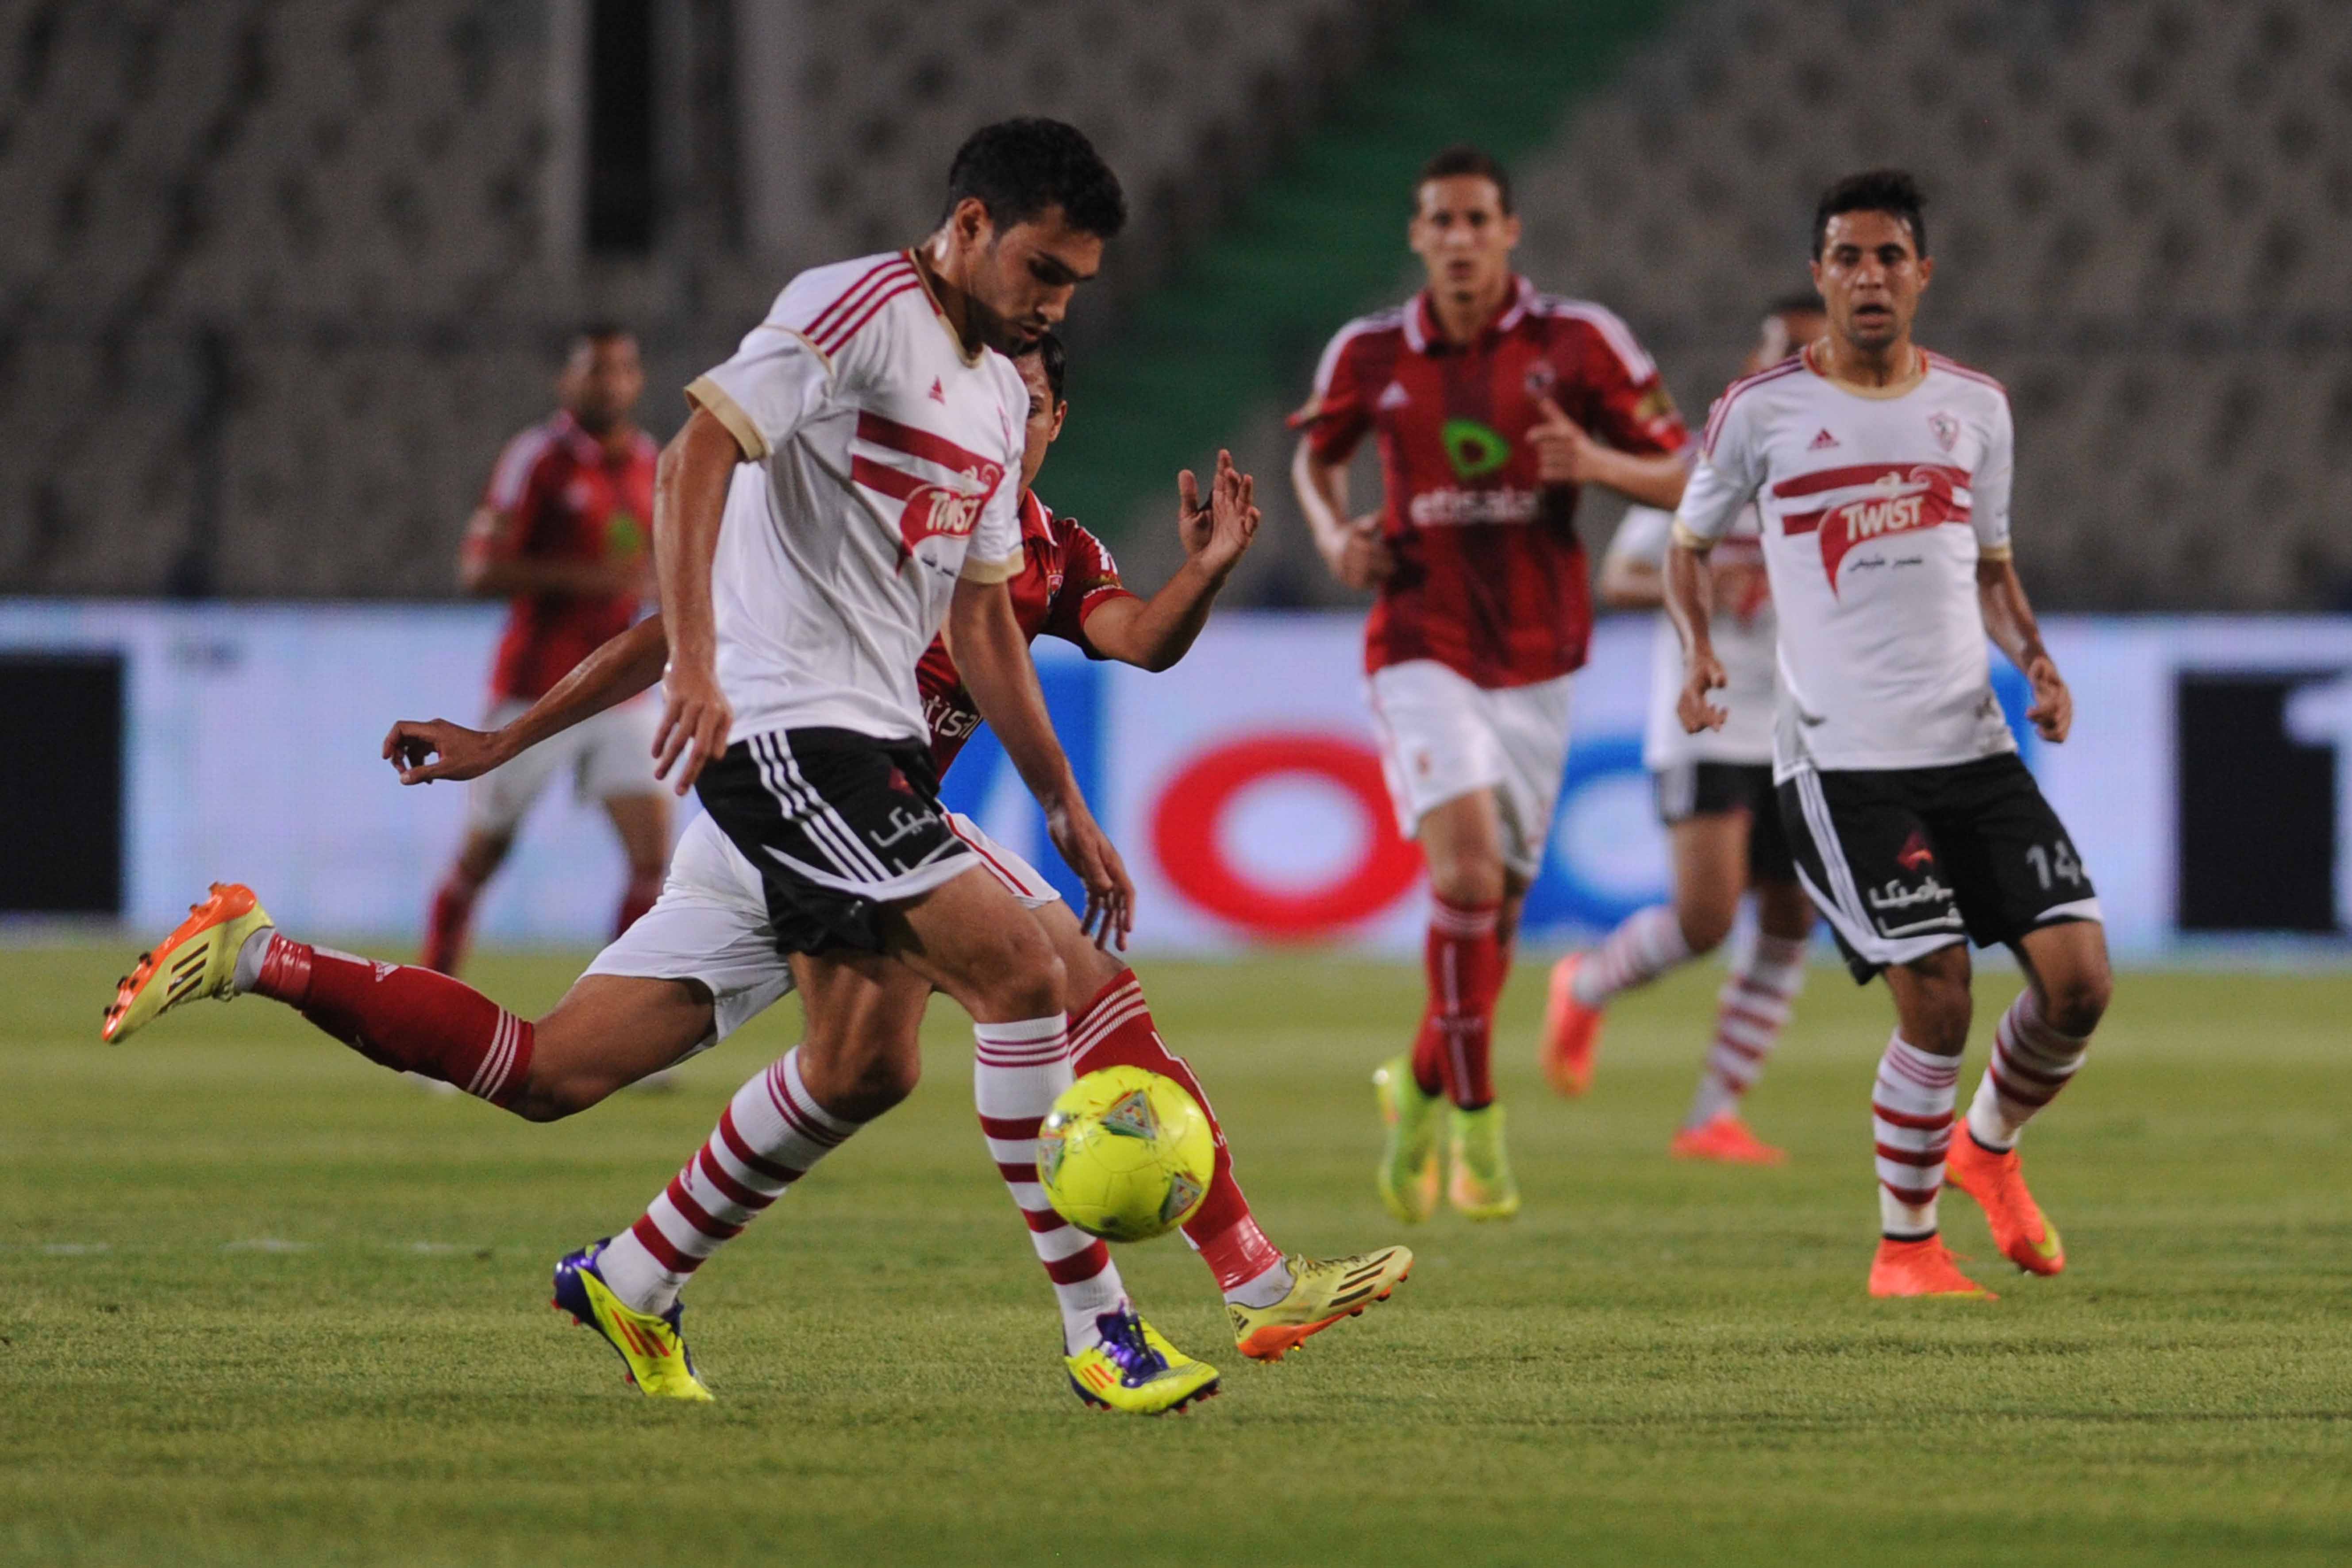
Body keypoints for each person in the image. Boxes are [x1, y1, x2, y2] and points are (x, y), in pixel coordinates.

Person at [104, 119, 1226, 1414]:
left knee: (635, 1071)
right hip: (786, 740)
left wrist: (1067, 809)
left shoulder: (986, 398)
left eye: (1075, 284)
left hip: (839, 775)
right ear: (969, 224)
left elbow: (981, 628)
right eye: (1042, 269)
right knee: (1023, 967)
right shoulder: (854, 310)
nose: (1054, 303)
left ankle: (279, 973)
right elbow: (695, 455)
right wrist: (698, 665)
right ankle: (1103, 1337)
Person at [392, 335, 1409, 1364]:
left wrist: (1204, 570)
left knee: (707, 1071)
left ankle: (631, 1271)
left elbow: (1140, 637)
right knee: (1064, 980)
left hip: (851, 831)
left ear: (1059, 426)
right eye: (990, 399)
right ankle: (1208, 1295)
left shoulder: (1053, 549)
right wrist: (510, 737)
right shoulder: (878, 509)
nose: (1008, 423)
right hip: (815, 802)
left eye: (1033, 407)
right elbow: (670, 631)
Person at [1664, 170, 2111, 1298]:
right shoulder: (1760, 411)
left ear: (1924, 272)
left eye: (1889, 256)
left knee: (2079, 982)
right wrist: (1703, 650)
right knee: (1942, 991)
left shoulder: (1976, 408)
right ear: (1821, 276)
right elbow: (1686, 542)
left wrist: (2039, 659)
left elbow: (1995, 570)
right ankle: (1905, 1248)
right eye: (1848, 258)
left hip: (1972, 746)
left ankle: (1988, 1146)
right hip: (1842, 762)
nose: (1870, 276)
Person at [1290, 144, 1690, 1223]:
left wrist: (1599, 467)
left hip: (1540, 659)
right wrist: (1333, 536)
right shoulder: (1370, 352)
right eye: (1441, 222)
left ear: (1510, 230)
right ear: (1418, 238)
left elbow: (1691, 468)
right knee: (1465, 880)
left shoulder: (1580, 342)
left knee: (1495, 920)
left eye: (1478, 220)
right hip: (1419, 640)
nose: (1460, 239)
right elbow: (1316, 460)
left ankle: (1413, 1095)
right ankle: (1477, 1120)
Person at [1542, 299, 1827, 1164]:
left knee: (1789, 915)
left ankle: (1714, 1112)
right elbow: (1624, 574)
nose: (1798, 366)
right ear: (1756, 356)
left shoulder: (1847, 466)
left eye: (1816, 353)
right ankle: (1585, 980)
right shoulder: (1705, 459)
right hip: (1705, 720)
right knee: (1705, 917)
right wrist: (1709, 595)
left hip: (1803, 724)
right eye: (1784, 349)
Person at [426, 326, 666, 975]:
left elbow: (650, 567)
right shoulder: (537, 458)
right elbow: (479, 570)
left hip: (620, 688)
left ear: (637, 379)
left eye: (621, 369)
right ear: (568, 381)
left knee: (653, 859)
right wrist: (593, 578)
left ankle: (621, 1028)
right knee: (482, 858)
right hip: (535, 686)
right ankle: (425, 1020)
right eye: (595, 371)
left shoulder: (650, 459)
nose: (609, 383)